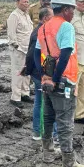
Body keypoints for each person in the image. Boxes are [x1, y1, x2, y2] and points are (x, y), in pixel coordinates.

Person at [35, 0, 84, 167]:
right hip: (64, 80)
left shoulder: (44, 27)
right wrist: (56, 79)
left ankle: (48, 153)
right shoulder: (66, 27)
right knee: (66, 122)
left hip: (48, 81)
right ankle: (69, 164)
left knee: (48, 117)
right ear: (66, 9)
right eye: (72, 9)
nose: (73, 13)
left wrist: (44, 75)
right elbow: (66, 53)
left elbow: (37, 54)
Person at [20, 7, 55, 140]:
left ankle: (41, 131)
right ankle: (38, 131)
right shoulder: (39, 33)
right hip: (40, 73)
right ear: (45, 18)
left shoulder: (43, 31)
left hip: (40, 72)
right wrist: (30, 71)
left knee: (42, 102)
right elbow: (31, 55)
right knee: (41, 102)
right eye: (52, 16)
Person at [7, 0, 34, 108]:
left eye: (27, 2)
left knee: (27, 73)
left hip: (28, 49)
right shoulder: (14, 16)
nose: (26, 4)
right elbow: (11, 34)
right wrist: (16, 46)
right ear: (17, 3)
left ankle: (25, 93)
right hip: (19, 50)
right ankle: (16, 97)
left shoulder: (27, 16)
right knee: (18, 73)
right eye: (24, 2)